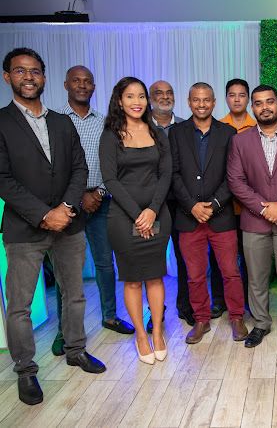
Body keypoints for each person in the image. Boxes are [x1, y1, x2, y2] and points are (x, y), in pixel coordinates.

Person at [0, 48, 106, 406]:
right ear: (7, 77)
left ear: (44, 77)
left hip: (68, 225)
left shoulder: (62, 122)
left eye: (34, 71)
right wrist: (45, 214)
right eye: (20, 71)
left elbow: (79, 168)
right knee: (20, 305)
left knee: (74, 293)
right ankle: (25, 369)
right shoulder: (1, 122)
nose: (28, 77)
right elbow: (2, 178)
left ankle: (76, 350)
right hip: (24, 229)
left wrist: (66, 208)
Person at [50, 66, 135, 358]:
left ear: (94, 87)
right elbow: (54, 167)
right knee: (66, 271)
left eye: (87, 81)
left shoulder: (105, 123)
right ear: (66, 84)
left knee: (105, 263)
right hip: (66, 205)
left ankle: (110, 316)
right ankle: (64, 331)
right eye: (76, 81)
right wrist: (76, 197)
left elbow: (115, 164)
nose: (82, 85)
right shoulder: (55, 121)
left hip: (102, 200)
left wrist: (98, 193)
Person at [227, 84, 277, 349]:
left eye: (269, 101)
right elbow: (235, 181)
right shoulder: (240, 141)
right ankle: (261, 323)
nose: (265, 107)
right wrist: (264, 208)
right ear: (253, 107)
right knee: (256, 277)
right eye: (259, 103)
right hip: (254, 221)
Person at [99, 76, 172, 365]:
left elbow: (165, 175)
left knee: (155, 275)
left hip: (157, 213)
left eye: (141, 96)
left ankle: (157, 333)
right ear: (119, 101)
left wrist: (152, 210)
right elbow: (110, 180)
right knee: (132, 279)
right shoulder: (111, 136)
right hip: (122, 216)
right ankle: (141, 335)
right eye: (130, 96)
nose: (137, 102)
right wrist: (138, 214)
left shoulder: (157, 133)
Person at [170, 82, 247, 343]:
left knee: (230, 272)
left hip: (221, 216)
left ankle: (236, 317)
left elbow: (232, 175)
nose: (201, 104)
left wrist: (213, 205)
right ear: (189, 102)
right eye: (196, 100)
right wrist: (191, 205)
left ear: (214, 102)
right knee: (195, 275)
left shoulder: (228, 133)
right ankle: (201, 319)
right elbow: (173, 174)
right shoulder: (176, 133)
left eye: (206, 100)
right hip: (188, 217)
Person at [147, 80, 194, 330]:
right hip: (150, 207)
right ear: (150, 98)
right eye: (158, 93)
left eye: (169, 93)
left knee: (184, 257)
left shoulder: (186, 127)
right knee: (151, 259)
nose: (164, 97)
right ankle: (155, 311)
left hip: (180, 205)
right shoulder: (140, 126)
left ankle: (186, 306)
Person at [220, 78, 254, 312]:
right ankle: (225, 302)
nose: (237, 99)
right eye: (232, 95)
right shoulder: (218, 126)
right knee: (226, 259)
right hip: (224, 206)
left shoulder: (257, 126)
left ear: (248, 99)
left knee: (250, 258)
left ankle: (251, 303)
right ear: (226, 99)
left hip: (249, 206)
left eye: (241, 95)